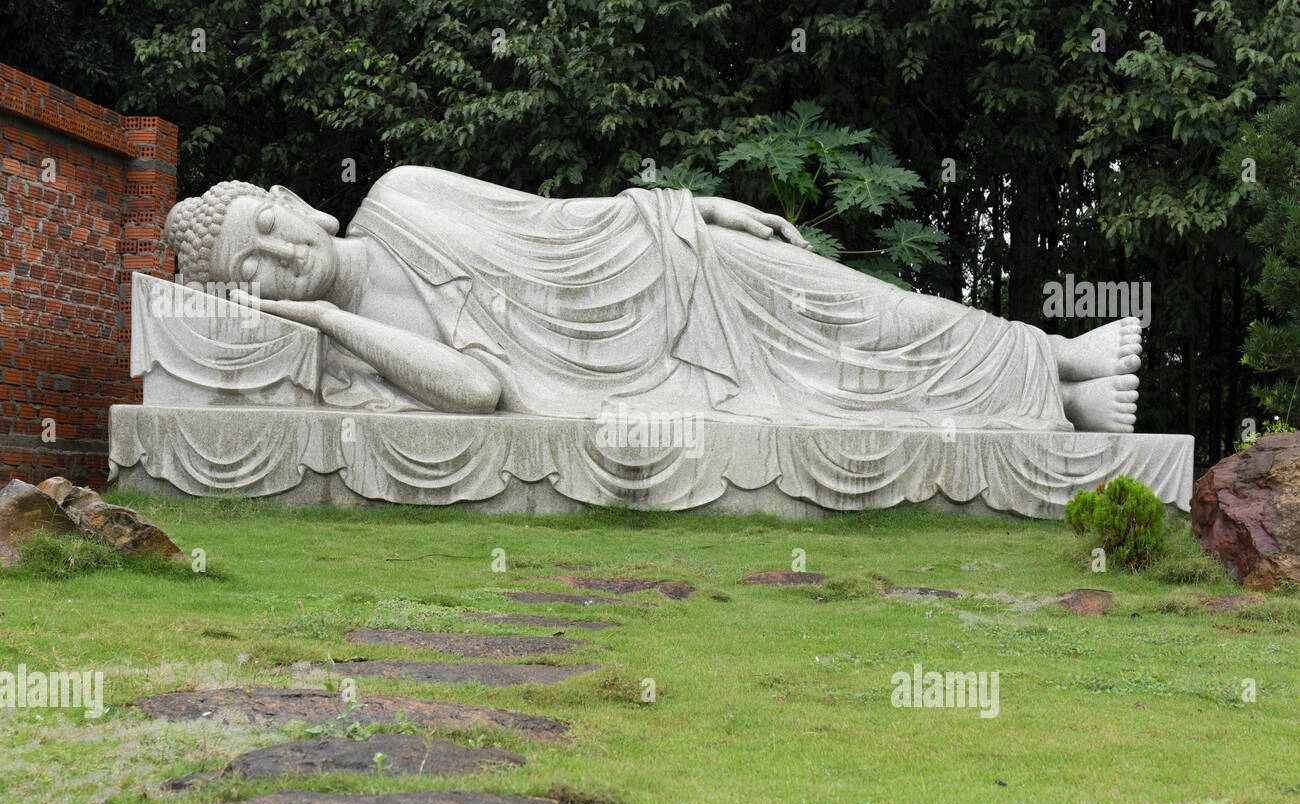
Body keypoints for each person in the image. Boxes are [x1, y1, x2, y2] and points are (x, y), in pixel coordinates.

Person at [163, 166, 1141, 431]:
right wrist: (334, 322)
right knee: (841, 386)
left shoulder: (401, 196)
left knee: (852, 307)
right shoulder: (358, 340)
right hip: (621, 372)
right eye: (252, 270)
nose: (280, 256)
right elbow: (475, 393)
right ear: (253, 298)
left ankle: (1048, 355)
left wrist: (701, 209)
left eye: (268, 225)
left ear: (291, 202)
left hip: (658, 274)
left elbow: (559, 220)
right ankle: (1056, 401)